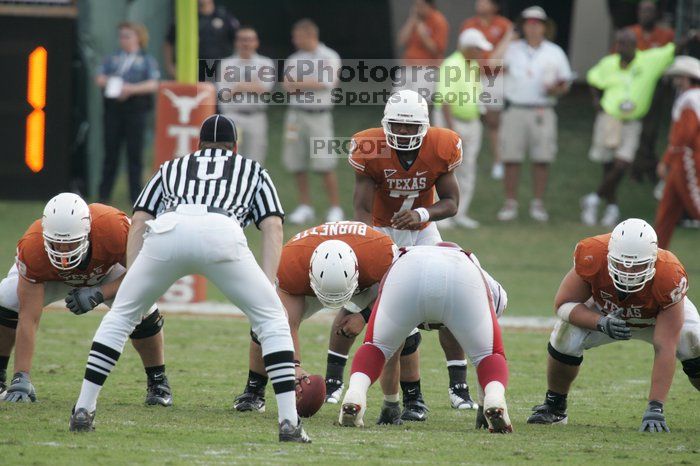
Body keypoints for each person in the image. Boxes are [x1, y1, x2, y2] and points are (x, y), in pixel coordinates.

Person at [68, 115, 311, 443]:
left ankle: (83, 408)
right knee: (273, 320)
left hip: (169, 229)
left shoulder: (173, 167)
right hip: (221, 231)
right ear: (234, 147)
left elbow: (140, 219)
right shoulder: (251, 169)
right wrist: (268, 285)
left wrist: (134, 278)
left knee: (121, 316)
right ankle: (289, 423)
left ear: (198, 146)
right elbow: (272, 225)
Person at [351, 89, 509, 418]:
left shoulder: (442, 144)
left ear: (424, 126)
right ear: (385, 123)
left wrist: (422, 215)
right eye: (398, 126)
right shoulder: (370, 145)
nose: (405, 133)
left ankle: (458, 386)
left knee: (452, 298)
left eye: (412, 127)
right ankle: (403, 397)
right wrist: (377, 245)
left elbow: (452, 203)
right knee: (388, 314)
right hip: (381, 231)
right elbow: (362, 208)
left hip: (423, 232)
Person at [233, 223, 430, 425]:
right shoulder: (292, 262)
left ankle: (414, 399)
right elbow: (286, 324)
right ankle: (254, 392)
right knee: (267, 323)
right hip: (311, 282)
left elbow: (394, 297)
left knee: (403, 328)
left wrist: (363, 316)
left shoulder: (379, 255)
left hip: (366, 282)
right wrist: (294, 366)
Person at [527, 219, 700, 432]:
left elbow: (665, 345)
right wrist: (599, 322)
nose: (629, 271)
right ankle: (554, 407)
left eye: (638, 264)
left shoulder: (669, 273)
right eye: (620, 263)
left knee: (694, 340)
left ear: (653, 259)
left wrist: (655, 407)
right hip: (606, 313)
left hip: (656, 317)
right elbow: (563, 304)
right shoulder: (592, 254)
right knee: (565, 332)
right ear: (609, 255)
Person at [0, 193, 170, 406]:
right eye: (55, 244)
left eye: (70, 244)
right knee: (6, 298)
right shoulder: (33, 245)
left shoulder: (113, 227)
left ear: (88, 233)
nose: (63, 252)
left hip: (104, 272)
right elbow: (29, 317)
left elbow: (142, 272)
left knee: (142, 306)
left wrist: (100, 292)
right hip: (53, 278)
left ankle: (158, 381)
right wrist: (22, 375)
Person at [339, 242, 512, 434]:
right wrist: (482, 404)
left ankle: (355, 394)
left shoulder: (404, 255)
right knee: (489, 354)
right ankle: (495, 398)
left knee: (376, 347)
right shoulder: (477, 271)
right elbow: (486, 350)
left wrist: (391, 404)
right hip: (462, 276)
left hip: (407, 272)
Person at [580, 30, 675, 227]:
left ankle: (594, 198)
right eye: (620, 44)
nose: (623, 47)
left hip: (632, 121)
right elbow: (592, 78)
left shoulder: (648, 61)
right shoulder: (609, 63)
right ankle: (611, 208)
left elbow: (672, 49)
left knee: (623, 162)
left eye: (627, 43)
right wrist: (596, 100)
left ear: (635, 45)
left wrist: (692, 37)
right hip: (609, 118)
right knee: (607, 165)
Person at [497, 6, 572, 222]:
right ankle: (510, 202)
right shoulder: (512, 48)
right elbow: (491, 65)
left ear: (544, 27)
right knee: (511, 157)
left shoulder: (554, 52)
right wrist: (508, 37)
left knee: (542, 158)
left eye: (537, 24)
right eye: (528, 24)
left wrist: (556, 89)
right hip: (516, 108)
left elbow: (565, 83)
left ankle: (538, 203)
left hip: (543, 109)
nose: (532, 28)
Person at [282, 19, 343, 225]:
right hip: (296, 115)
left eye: (297, 36)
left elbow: (326, 82)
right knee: (296, 161)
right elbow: (287, 86)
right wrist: (307, 83)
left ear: (309, 35)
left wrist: (300, 83)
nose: (293, 40)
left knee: (324, 162)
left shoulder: (329, 56)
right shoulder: (293, 59)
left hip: (320, 115)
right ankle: (305, 205)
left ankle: (335, 207)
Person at [433, 28, 494, 229]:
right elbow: (445, 100)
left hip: (472, 122)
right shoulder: (452, 64)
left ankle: (460, 212)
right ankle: (442, 214)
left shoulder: (474, 65)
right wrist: (452, 132)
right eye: (478, 49)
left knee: (468, 167)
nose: (480, 53)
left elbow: (476, 94)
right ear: (467, 47)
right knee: (445, 169)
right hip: (452, 123)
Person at [96, 22, 160, 205]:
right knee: (111, 154)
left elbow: (153, 83)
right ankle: (103, 195)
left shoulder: (146, 60)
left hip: (135, 110)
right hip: (113, 110)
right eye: (121, 36)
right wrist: (112, 83)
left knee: (135, 155)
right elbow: (99, 77)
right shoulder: (113, 59)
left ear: (138, 38)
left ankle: (136, 196)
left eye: (127, 36)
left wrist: (131, 89)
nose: (123, 40)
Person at [460, 0, 513, 180]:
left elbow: (506, 54)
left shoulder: (504, 25)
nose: (480, 3)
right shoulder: (469, 24)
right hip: (475, 76)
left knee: (493, 120)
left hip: (496, 78)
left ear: (495, 5)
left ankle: (498, 160)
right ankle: (468, 158)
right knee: (473, 116)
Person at [655, 56, 700, 248]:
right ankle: (655, 252)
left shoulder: (690, 98)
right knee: (668, 208)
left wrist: (666, 160)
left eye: (679, 77)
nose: (676, 81)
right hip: (682, 158)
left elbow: (684, 135)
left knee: (696, 205)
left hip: (687, 157)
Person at [629, 0, 676, 183]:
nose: (645, 14)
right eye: (642, 10)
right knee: (636, 131)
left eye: (649, 11)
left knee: (650, 132)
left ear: (656, 14)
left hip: (656, 91)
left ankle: (644, 167)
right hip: (633, 91)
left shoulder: (666, 35)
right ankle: (647, 167)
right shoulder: (631, 34)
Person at [218, 26, 275, 164]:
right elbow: (224, 94)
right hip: (233, 116)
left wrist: (238, 86)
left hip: (256, 117)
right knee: (230, 160)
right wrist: (252, 85)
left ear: (256, 42)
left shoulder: (265, 63)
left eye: (250, 40)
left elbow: (264, 89)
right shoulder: (226, 64)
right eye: (242, 40)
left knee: (255, 161)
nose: (246, 44)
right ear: (236, 42)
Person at [163, 0, 239, 80]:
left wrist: (237, 64)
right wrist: (170, 66)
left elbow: (238, 40)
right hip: (193, 71)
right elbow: (168, 43)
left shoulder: (224, 16)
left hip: (221, 70)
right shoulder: (186, 18)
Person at [396, 0, 449, 99]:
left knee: (419, 103)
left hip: (426, 69)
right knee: (398, 101)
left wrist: (422, 30)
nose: (417, 8)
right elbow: (400, 41)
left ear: (429, 6)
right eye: (415, 5)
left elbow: (437, 50)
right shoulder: (413, 20)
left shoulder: (438, 20)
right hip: (408, 67)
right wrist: (411, 21)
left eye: (420, 5)